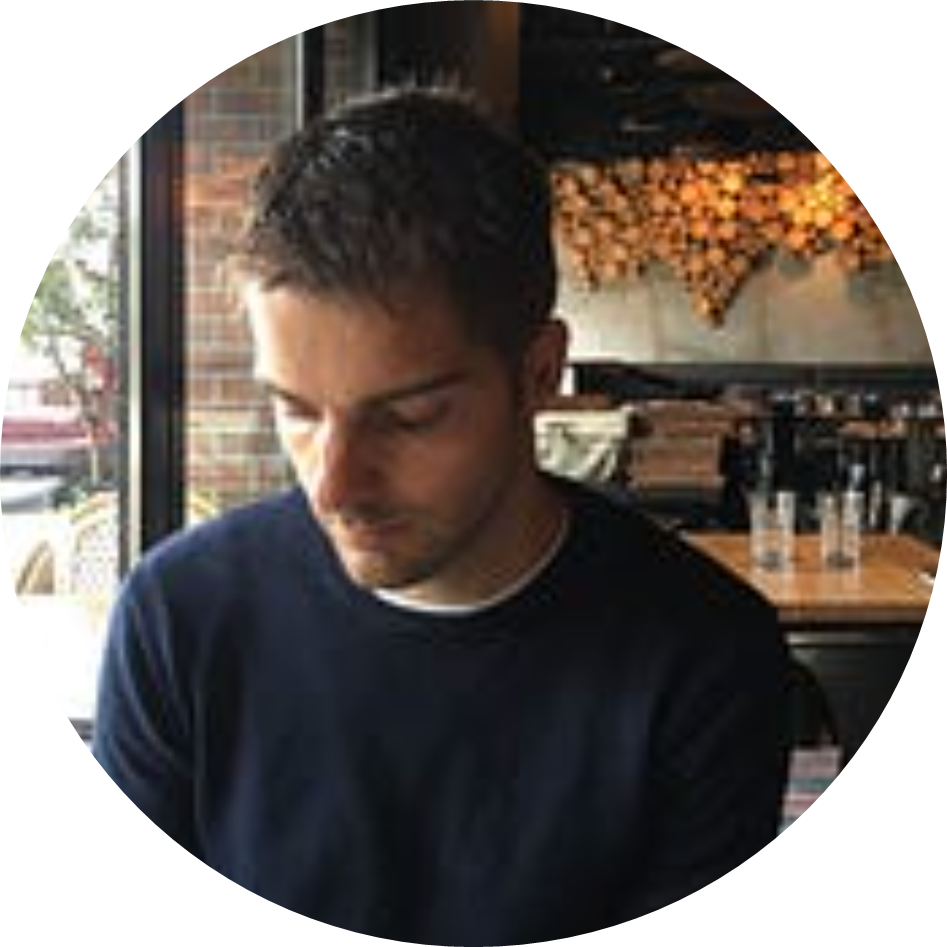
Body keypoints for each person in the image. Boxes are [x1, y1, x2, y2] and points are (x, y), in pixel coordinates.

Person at [94, 86, 789, 942]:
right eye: (296, 410)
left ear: (539, 375)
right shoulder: (180, 617)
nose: (333, 485)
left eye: (409, 417)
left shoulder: (704, 657)